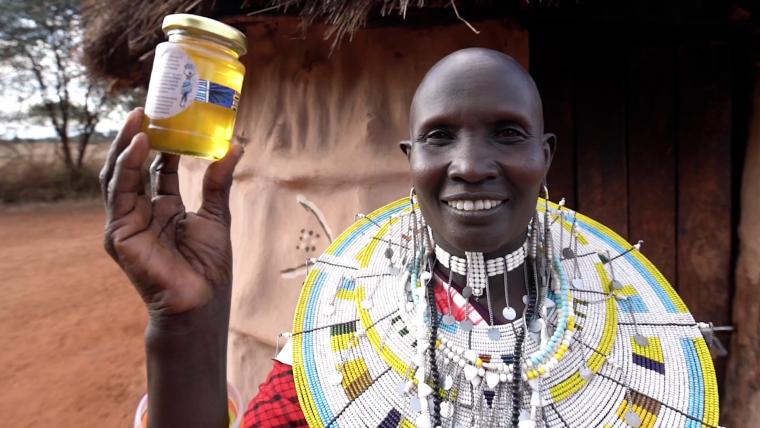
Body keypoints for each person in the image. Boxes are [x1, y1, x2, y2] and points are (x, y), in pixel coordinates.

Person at [101, 48, 719, 428]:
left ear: (545, 154)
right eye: (440, 136)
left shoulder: (635, 337)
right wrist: (184, 324)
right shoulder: (347, 342)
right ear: (409, 157)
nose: (471, 164)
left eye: (507, 133)